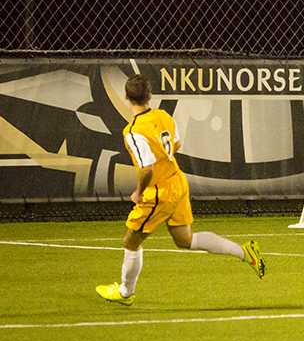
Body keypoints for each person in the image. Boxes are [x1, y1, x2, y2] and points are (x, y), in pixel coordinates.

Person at [95, 74, 266, 306]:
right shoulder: (163, 115)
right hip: (177, 181)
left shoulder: (133, 130)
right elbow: (176, 144)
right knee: (185, 240)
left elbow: (146, 169)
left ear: (127, 98)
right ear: (149, 95)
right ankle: (245, 253)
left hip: (159, 192)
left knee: (131, 241)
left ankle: (126, 292)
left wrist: (138, 192)